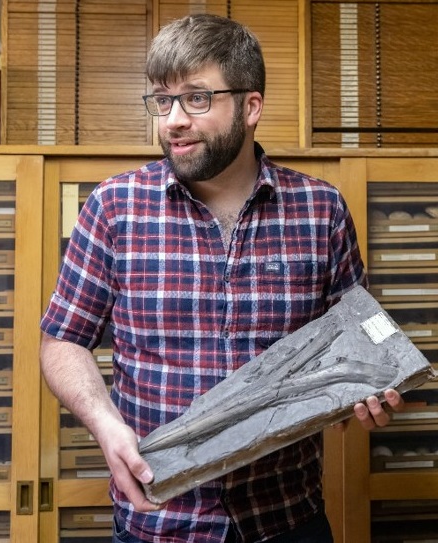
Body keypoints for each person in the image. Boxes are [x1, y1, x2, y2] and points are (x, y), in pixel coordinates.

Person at [40, 13, 404, 543]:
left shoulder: (320, 209)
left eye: (196, 98)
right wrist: (105, 425)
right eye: (163, 100)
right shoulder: (115, 206)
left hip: (286, 517)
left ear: (250, 106)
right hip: (158, 518)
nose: (173, 120)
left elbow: (361, 334)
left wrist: (378, 383)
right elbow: (62, 341)